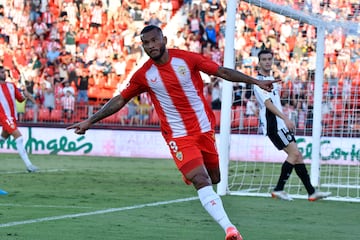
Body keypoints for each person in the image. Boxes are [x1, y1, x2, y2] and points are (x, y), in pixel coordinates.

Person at [67, 25, 278, 240]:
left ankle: (197, 178)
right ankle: (230, 229)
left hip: (204, 129)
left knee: (214, 177)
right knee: (200, 178)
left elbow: (222, 72)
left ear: (164, 39)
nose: (151, 46)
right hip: (178, 135)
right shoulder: (144, 75)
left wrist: (256, 81)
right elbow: (121, 99)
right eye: (146, 43)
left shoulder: (187, 59)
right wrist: (90, 121)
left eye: (154, 41)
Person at [253, 49, 331, 201]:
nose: (268, 62)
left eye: (270, 59)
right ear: (259, 62)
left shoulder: (270, 79)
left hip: (280, 123)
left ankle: (311, 192)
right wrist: (285, 118)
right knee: (294, 154)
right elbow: (268, 104)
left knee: (298, 156)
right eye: (264, 59)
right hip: (274, 125)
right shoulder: (259, 82)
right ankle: (278, 189)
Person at [0, 76, 39, 172]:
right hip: (4, 117)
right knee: (19, 137)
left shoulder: (11, 85)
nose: (3, 74)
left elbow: (20, 99)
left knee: (2, 139)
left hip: (12, 117)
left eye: (4, 72)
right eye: (1, 72)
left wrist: (25, 94)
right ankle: (29, 165)